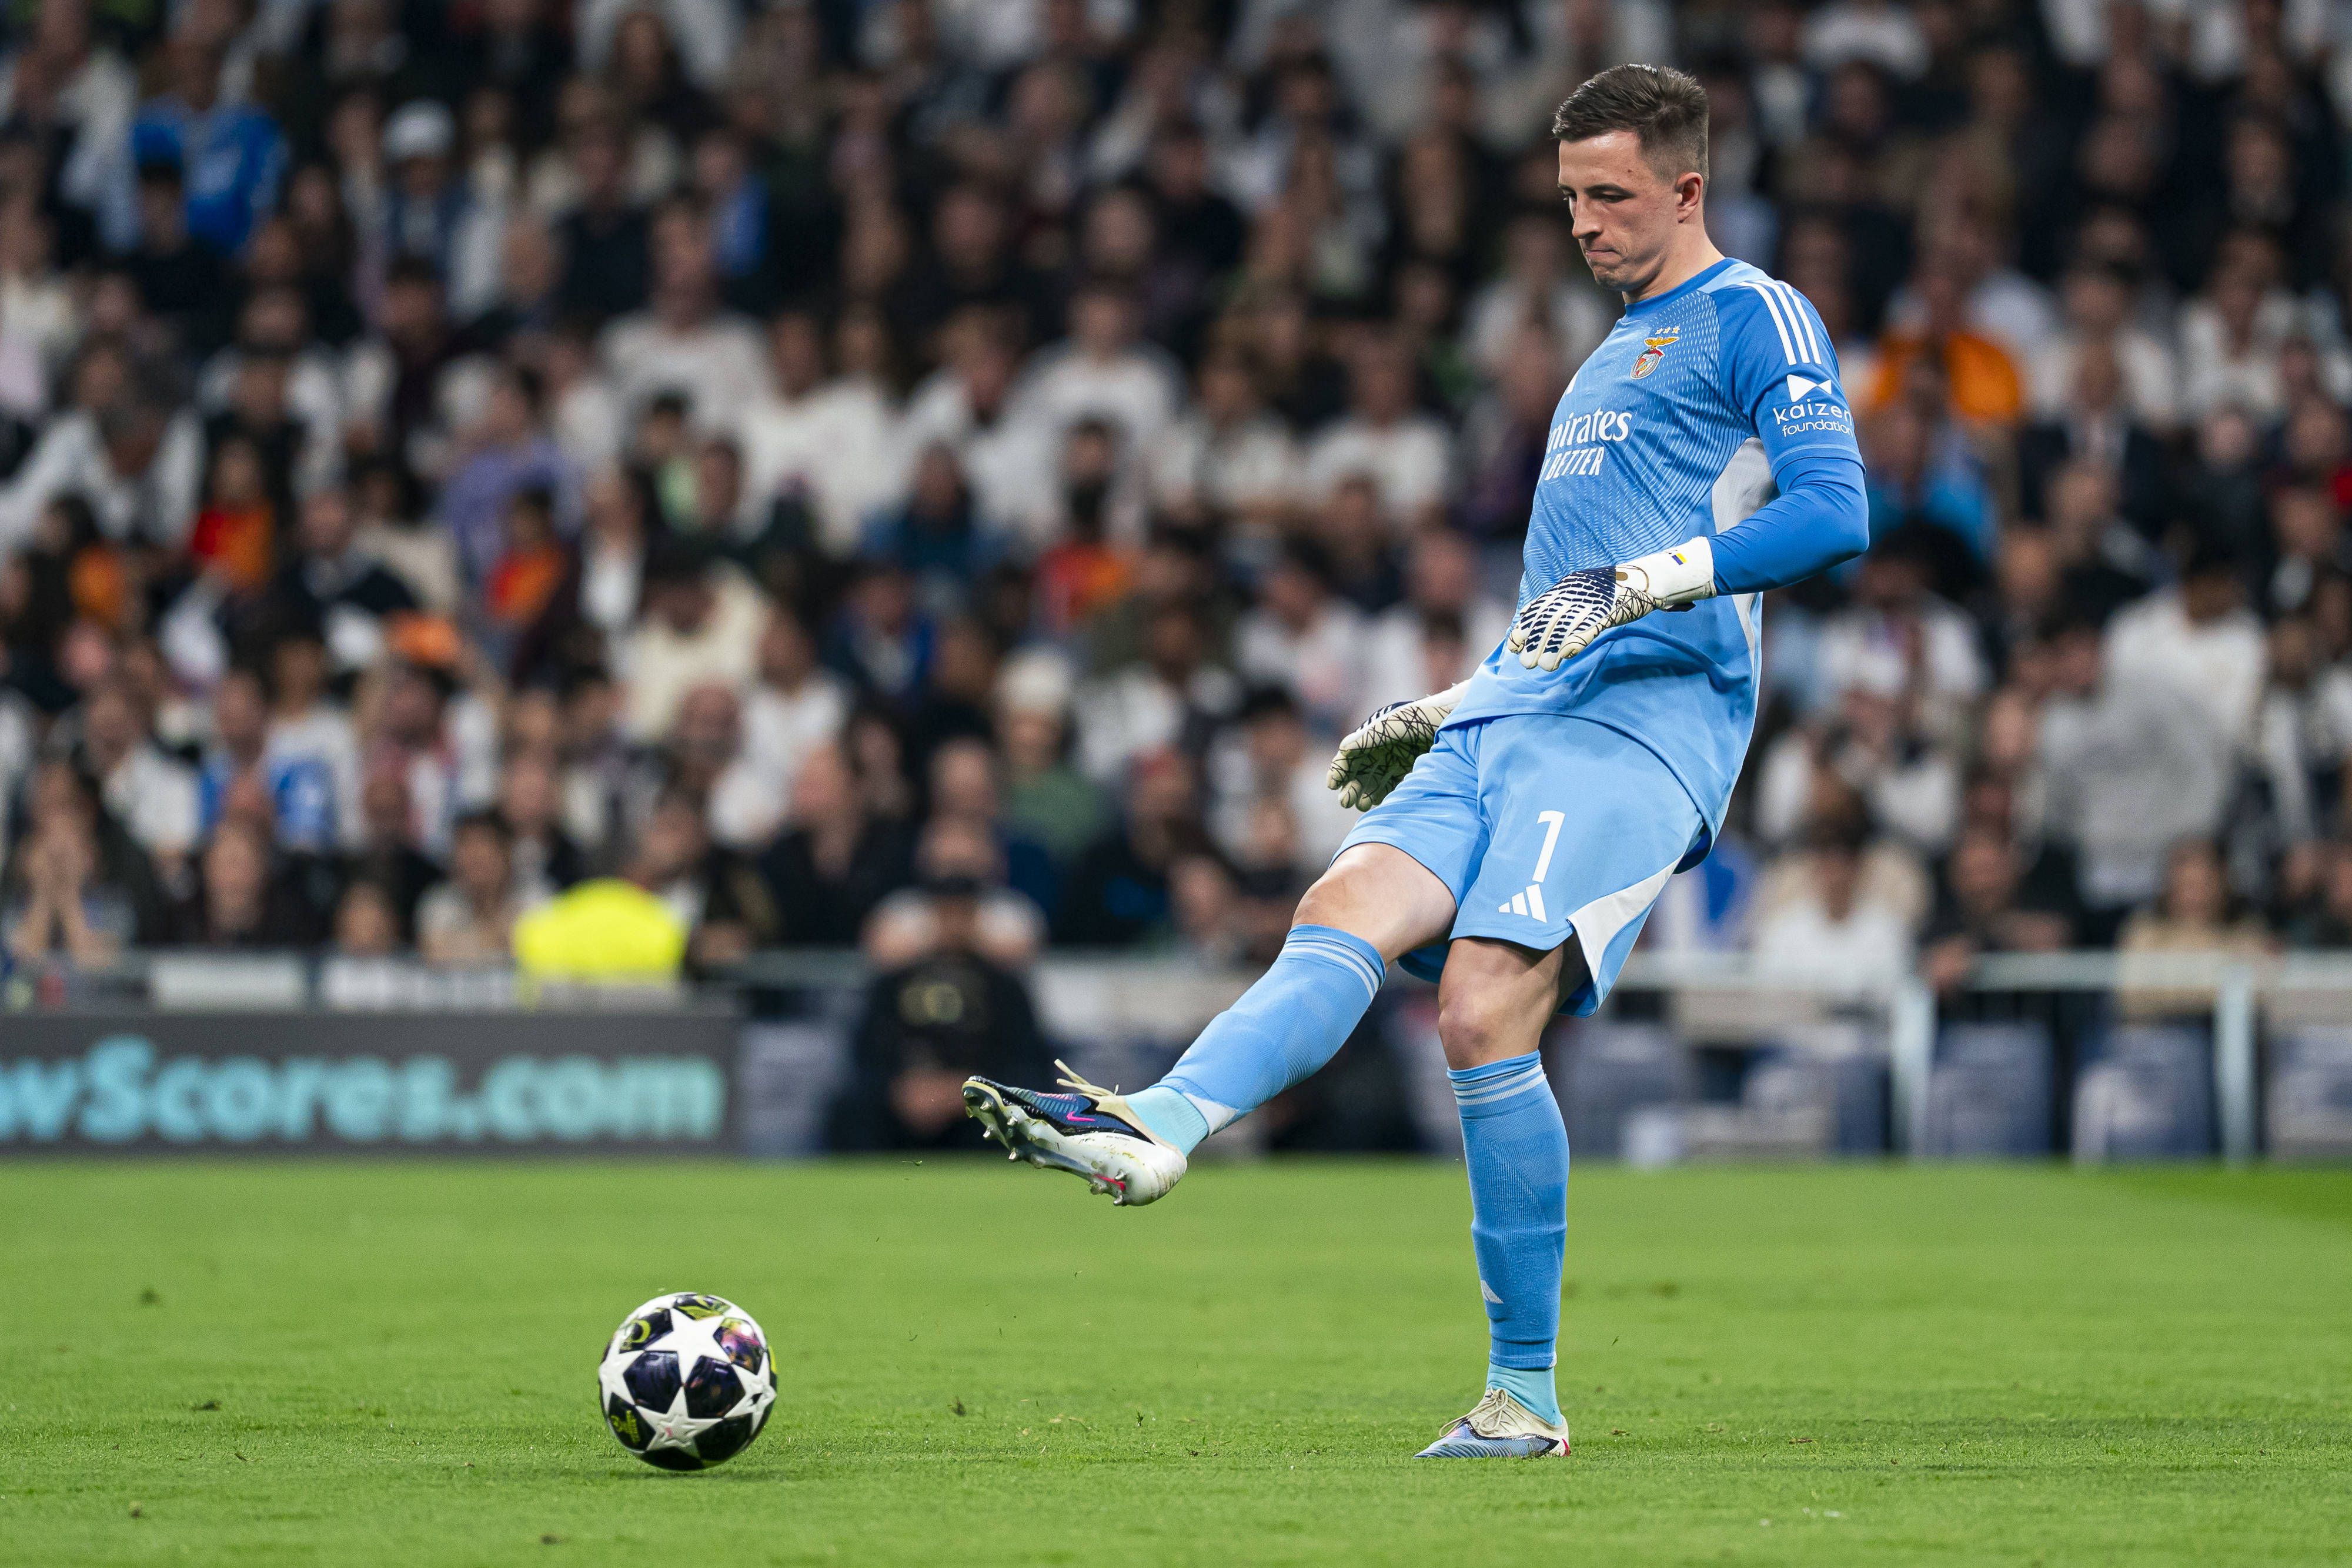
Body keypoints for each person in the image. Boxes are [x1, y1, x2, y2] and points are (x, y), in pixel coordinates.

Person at [958, 66, 1869, 1460]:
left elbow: (1832, 516)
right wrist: (1448, 701)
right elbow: (1565, 598)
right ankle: (1157, 1124)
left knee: (1481, 1012)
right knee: (1336, 915)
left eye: (1611, 196)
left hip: (1642, 734)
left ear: (1687, 189)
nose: (1583, 225)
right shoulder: (1599, 359)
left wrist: (1649, 579)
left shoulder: (1753, 314)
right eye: (1568, 199)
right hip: (1514, 720)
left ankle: (1525, 1394)